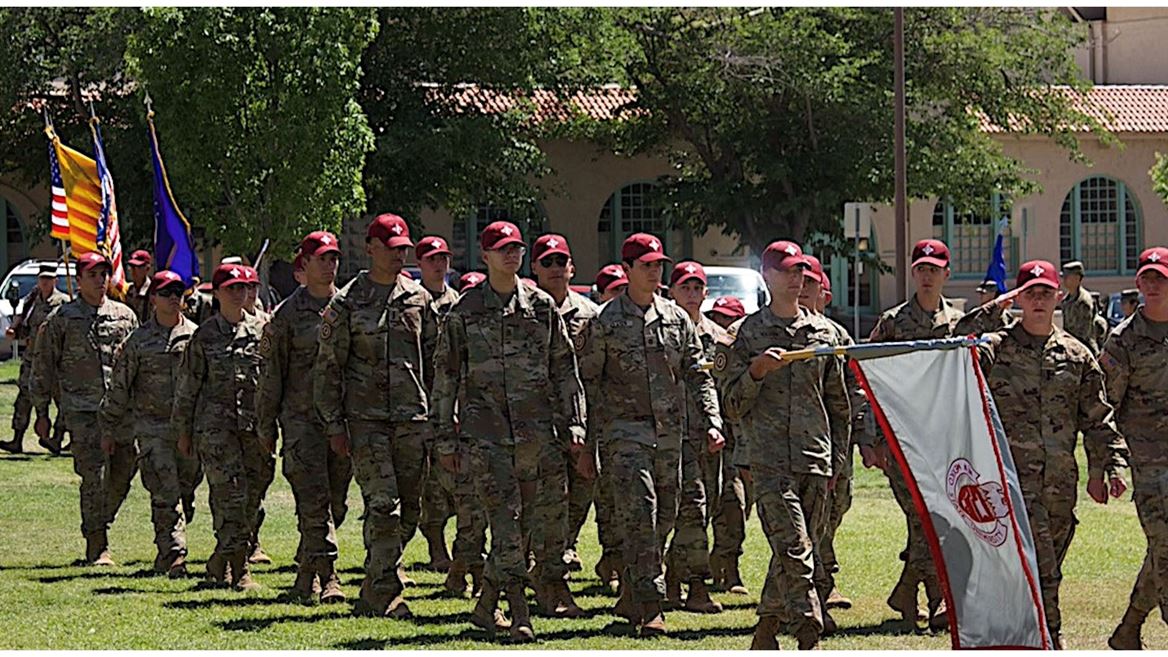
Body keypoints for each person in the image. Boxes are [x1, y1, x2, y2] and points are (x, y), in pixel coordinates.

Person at [432, 221, 588, 641]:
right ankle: (520, 612)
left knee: (525, 528)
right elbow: (446, 378)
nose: (511, 254)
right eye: (502, 248)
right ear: (484, 256)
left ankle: (486, 605)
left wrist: (575, 422)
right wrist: (444, 437)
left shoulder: (541, 306)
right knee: (506, 523)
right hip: (486, 437)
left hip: (536, 437)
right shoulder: (464, 312)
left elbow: (564, 370)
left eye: (516, 247)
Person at [961, 260, 1129, 649]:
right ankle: (1049, 637)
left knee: (1045, 564)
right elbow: (956, 341)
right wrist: (995, 307)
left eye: (1045, 293)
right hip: (1009, 485)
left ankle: (1024, 633)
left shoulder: (1076, 355)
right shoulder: (996, 348)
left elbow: (1097, 418)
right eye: (1030, 293)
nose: (1038, 300)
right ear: (1019, 298)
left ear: (1058, 297)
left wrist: (1111, 466)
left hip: (1058, 485)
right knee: (1041, 571)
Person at [577, 232, 725, 637]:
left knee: (665, 516)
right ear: (626, 269)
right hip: (624, 435)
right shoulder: (604, 322)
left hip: (670, 435)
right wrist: (586, 444)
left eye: (658, 265)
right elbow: (588, 384)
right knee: (640, 513)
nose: (654, 272)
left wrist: (712, 420)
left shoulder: (676, 318)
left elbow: (697, 374)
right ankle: (651, 605)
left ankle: (632, 588)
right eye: (646, 265)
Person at [715, 240, 850, 650]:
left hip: (815, 456)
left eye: (800, 272)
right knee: (793, 544)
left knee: (798, 546)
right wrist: (756, 372)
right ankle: (809, 626)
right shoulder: (746, 334)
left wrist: (837, 460)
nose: (796, 279)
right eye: (787, 271)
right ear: (767, 275)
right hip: (768, 458)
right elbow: (730, 405)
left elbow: (838, 403)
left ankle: (766, 630)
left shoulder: (825, 333)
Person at [313, 213, 436, 619]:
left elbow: (436, 362)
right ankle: (386, 592)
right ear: (370, 248)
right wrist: (334, 425)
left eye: (403, 249)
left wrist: (439, 416)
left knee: (411, 510)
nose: (399, 255)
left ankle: (373, 582)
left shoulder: (419, 299)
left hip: (412, 419)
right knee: (384, 506)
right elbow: (328, 369)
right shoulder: (347, 302)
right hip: (366, 421)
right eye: (391, 248)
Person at [859, 239, 963, 629]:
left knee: (933, 518)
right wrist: (872, 439)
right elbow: (868, 380)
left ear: (946, 274)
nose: (927, 276)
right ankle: (936, 598)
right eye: (921, 269)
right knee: (926, 518)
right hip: (901, 438)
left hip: (945, 440)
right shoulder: (892, 323)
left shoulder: (958, 324)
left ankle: (909, 592)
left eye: (934, 269)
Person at [256, 231, 352, 603]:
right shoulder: (286, 316)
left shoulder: (348, 307)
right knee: (314, 502)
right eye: (322, 258)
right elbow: (271, 375)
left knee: (337, 503)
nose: (329, 265)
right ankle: (329, 577)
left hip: (341, 423)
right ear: (305, 264)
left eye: (334, 258)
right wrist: (266, 425)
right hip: (301, 422)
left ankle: (305, 574)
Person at [32, 252, 139, 566]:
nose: (100, 280)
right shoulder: (62, 319)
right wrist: (41, 413)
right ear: (78, 280)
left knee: (124, 470)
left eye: (103, 274)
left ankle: (101, 520)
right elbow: (43, 366)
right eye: (92, 275)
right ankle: (97, 544)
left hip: (120, 411)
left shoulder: (125, 316)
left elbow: (138, 364)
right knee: (94, 476)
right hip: (82, 411)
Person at [174, 263, 269, 591]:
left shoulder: (261, 330)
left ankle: (220, 560)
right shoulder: (204, 336)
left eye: (243, 287)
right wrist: (184, 431)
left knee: (252, 500)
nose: (239, 293)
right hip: (216, 432)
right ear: (216, 293)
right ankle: (240, 570)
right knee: (229, 499)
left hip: (253, 430)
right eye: (231, 288)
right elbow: (188, 388)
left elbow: (272, 381)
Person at [98, 270, 199, 578]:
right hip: (153, 429)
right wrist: (108, 428)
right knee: (165, 492)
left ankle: (166, 548)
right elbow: (119, 388)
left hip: (190, 430)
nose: (173, 298)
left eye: (177, 292)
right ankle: (174, 554)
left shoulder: (196, 337)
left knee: (185, 492)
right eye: (166, 293)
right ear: (153, 298)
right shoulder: (138, 342)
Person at [1102, 247, 1168, 649]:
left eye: (1161, 278)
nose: (1153, 285)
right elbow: (1106, 405)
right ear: (1138, 283)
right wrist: (1110, 463)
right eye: (1147, 278)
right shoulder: (1123, 339)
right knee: (1165, 544)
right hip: (1148, 462)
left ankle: (1128, 628)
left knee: (1163, 547)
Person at [530, 233, 600, 584]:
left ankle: (564, 546)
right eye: (548, 262)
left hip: (579, 420)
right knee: (542, 497)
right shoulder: (525, 311)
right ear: (535, 267)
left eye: (562, 261)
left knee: (581, 492)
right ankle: (541, 559)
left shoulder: (592, 315)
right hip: (536, 422)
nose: (555, 268)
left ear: (572, 268)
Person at [663, 260, 728, 614]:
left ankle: (674, 577)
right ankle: (696, 585)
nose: (691, 294)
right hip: (670, 435)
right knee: (688, 507)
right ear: (671, 291)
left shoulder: (719, 337)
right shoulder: (664, 329)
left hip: (707, 437)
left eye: (697, 287)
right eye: (684, 287)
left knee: (706, 508)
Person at [799, 255, 859, 613]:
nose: (804, 289)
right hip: (792, 444)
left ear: (825, 292)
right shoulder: (774, 328)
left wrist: (859, 437)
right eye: (800, 281)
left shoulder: (836, 336)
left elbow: (855, 389)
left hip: (833, 440)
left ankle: (820, 575)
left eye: (811, 283)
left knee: (836, 506)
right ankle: (819, 584)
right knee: (802, 519)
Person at [414, 234, 463, 574]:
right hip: (417, 404)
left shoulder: (459, 304)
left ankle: (464, 550)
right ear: (419, 263)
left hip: (452, 405)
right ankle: (436, 546)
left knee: (458, 478)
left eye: (443, 258)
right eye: (431, 258)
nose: (438, 264)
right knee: (428, 481)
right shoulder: (409, 302)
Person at [703, 294, 751, 596]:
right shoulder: (702, 340)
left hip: (736, 439)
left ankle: (728, 566)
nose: (723, 324)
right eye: (718, 317)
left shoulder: (747, 344)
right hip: (701, 435)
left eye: (729, 319)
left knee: (735, 503)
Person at [0, 263, 69, 454]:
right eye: (42, 279)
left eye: (48, 279)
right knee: (24, 397)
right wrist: (15, 332)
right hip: (32, 358)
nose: (45, 282)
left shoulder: (63, 303)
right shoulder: (31, 301)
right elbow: (26, 328)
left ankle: (57, 438)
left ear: (55, 281)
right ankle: (17, 439)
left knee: (62, 400)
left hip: (54, 360)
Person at [1060, 261, 1103, 354]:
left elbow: (1084, 333)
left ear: (1077, 278)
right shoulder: (1066, 300)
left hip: (1085, 349)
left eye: (1067, 277)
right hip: (1070, 347)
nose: (1064, 280)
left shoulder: (1084, 301)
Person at [125, 249, 154, 322]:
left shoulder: (154, 292)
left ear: (147, 268)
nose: (133, 270)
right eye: (132, 266)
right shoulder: (128, 290)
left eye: (138, 267)